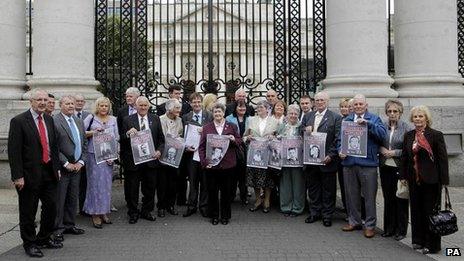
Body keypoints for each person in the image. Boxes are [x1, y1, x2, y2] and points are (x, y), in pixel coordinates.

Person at [8, 89, 62, 257]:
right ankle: (29, 243)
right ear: (31, 101)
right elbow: (14, 151)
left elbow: (53, 146)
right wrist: (18, 176)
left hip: (49, 172)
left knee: (51, 207)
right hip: (28, 175)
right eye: (38, 99)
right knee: (28, 211)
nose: (42, 102)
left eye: (45, 100)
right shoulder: (18, 121)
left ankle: (44, 238)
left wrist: (57, 168)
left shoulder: (49, 119)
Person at [400, 105, 449, 254]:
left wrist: (444, 181)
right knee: (416, 211)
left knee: (430, 213)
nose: (418, 119)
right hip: (414, 180)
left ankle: (432, 245)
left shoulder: (436, 135)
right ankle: (418, 241)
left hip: (432, 180)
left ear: (426, 118)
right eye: (415, 116)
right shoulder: (408, 136)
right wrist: (402, 176)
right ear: (412, 119)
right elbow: (404, 158)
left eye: (421, 116)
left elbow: (442, 159)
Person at [339, 94, 386, 238]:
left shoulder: (374, 119)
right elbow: (340, 139)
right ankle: (354, 221)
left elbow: (382, 135)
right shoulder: (346, 120)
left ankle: (370, 225)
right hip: (349, 163)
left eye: (361, 104)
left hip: (368, 164)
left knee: (369, 196)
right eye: (356, 105)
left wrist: (368, 124)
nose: (358, 106)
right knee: (351, 195)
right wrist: (340, 150)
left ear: (366, 105)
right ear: (352, 107)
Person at [121, 96, 165, 224]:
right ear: (136, 106)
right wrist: (128, 134)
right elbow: (122, 139)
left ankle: (147, 211)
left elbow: (161, 140)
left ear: (148, 106)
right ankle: (133, 212)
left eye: (145, 105)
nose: (143, 107)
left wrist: (159, 151)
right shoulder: (127, 120)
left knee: (150, 188)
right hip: (133, 161)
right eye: (141, 105)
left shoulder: (155, 119)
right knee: (132, 188)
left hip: (151, 160)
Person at [302, 91, 342, 227]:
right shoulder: (308, 116)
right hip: (311, 160)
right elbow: (300, 132)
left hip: (327, 160)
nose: (319, 102)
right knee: (313, 188)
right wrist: (304, 130)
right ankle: (314, 213)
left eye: (322, 100)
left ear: (327, 102)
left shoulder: (335, 118)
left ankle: (327, 215)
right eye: (317, 100)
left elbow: (338, 138)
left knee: (328, 189)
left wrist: (331, 155)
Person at [199, 102, 242, 225]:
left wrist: (234, 140)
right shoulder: (207, 127)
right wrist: (204, 162)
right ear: (212, 114)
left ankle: (225, 216)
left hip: (228, 165)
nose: (218, 114)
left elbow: (239, 140)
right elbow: (201, 147)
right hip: (212, 166)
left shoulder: (232, 126)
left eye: (220, 112)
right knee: (212, 192)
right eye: (215, 112)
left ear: (224, 113)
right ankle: (214, 216)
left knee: (226, 192)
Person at [53, 96, 87, 242]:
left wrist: (81, 162)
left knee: (73, 198)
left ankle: (69, 225)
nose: (71, 106)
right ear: (60, 105)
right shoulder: (55, 121)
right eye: (67, 103)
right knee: (60, 199)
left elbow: (84, 143)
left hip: (77, 167)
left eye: (72, 103)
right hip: (63, 166)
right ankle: (58, 228)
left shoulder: (79, 121)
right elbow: (53, 146)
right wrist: (66, 163)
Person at [83, 97, 119, 228]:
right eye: (101, 106)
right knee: (95, 184)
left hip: (108, 156)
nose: (104, 108)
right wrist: (93, 132)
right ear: (97, 107)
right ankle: (94, 213)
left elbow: (117, 137)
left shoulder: (114, 120)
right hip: (94, 156)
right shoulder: (91, 118)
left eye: (106, 106)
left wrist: (114, 155)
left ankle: (104, 211)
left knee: (106, 185)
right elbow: (81, 133)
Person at [379, 99, 411, 241]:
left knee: (400, 198)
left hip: (400, 168)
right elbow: (377, 141)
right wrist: (381, 149)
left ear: (400, 113)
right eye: (390, 111)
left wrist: (394, 152)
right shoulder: (382, 126)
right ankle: (389, 228)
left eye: (395, 111)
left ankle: (401, 230)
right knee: (388, 198)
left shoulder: (407, 128)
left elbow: (409, 149)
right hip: (385, 166)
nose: (392, 114)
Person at [244, 100, 279, 213]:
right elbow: (244, 136)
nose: (259, 110)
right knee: (255, 177)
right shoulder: (251, 120)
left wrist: (272, 137)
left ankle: (267, 200)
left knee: (267, 178)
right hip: (254, 155)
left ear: (267, 109)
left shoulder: (274, 121)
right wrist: (247, 138)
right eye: (258, 108)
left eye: (261, 108)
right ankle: (258, 199)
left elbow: (279, 138)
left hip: (268, 154)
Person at [182, 93, 213, 217]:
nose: (197, 104)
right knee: (193, 181)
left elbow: (214, 131)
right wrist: (185, 147)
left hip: (205, 153)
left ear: (202, 102)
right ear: (190, 103)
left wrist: (205, 131)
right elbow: (183, 135)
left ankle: (204, 206)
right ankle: (191, 206)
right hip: (191, 154)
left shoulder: (209, 116)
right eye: (194, 102)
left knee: (205, 181)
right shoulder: (185, 117)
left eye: (199, 102)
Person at [277, 104, 305, 217]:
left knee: (298, 185)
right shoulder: (282, 126)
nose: (293, 116)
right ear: (287, 115)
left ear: (298, 115)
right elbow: (276, 138)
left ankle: (297, 208)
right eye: (290, 113)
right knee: (285, 184)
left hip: (297, 161)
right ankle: (286, 207)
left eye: (295, 114)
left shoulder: (302, 127)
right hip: (284, 160)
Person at [159, 99, 184, 216]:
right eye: (177, 108)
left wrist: (179, 139)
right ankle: (161, 207)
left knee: (173, 182)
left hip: (175, 155)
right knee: (162, 182)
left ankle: (171, 205)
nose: (179, 110)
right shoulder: (160, 120)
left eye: (179, 108)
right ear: (169, 109)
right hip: (163, 155)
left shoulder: (179, 120)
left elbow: (180, 134)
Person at [226, 100, 250, 205]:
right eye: (240, 107)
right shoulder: (229, 118)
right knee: (232, 174)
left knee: (243, 174)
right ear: (235, 108)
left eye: (244, 107)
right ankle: (231, 195)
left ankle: (244, 196)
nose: (242, 109)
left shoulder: (250, 119)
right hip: (233, 149)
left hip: (246, 149)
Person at [74, 94, 91, 215]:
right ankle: (71, 209)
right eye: (77, 101)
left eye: (81, 101)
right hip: (71, 155)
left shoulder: (89, 116)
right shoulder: (68, 116)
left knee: (84, 183)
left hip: (84, 154)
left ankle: (82, 208)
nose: (79, 103)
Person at [337, 98, 351, 214]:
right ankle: (346, 206)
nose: (344, 109)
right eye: (342, 107)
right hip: (341, 157)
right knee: (342, 183)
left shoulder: (353, 121)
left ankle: (350, 209)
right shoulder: (339, 120)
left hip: (351, 157)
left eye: (346, 107)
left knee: (350, 186)